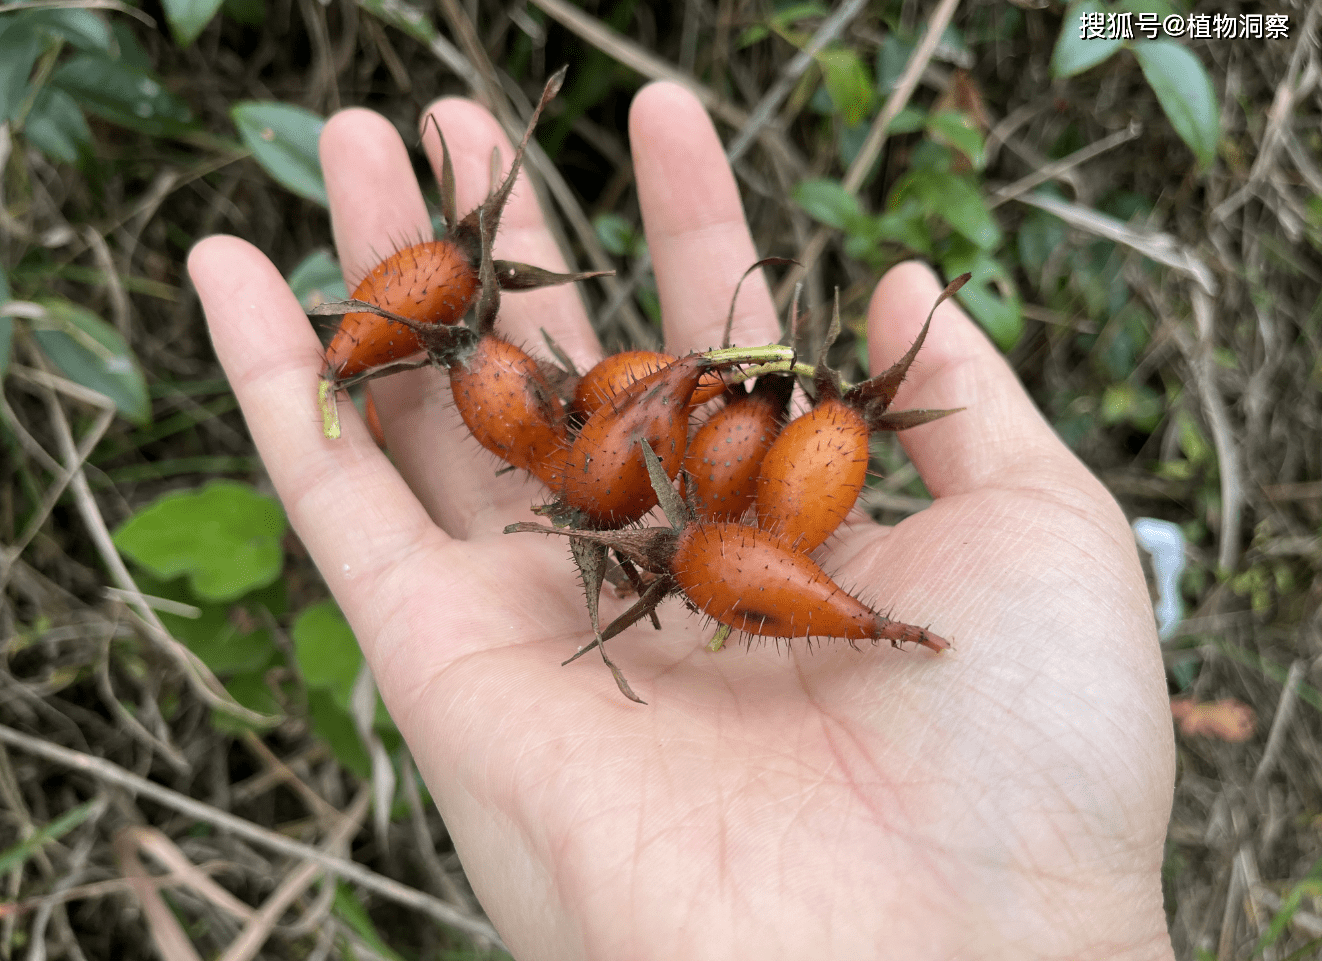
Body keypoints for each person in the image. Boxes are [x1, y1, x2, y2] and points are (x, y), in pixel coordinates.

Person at [188, 81, 1176, 960]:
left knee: (641, 456)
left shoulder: (708, 476)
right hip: (676, 486)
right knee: (609, 434)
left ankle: (864, 612)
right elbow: (623, 451)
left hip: (691, 496)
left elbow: (658, 473)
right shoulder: (663, 462)